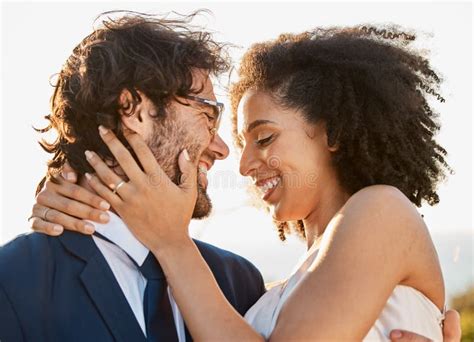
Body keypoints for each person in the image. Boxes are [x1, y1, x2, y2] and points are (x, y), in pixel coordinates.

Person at [27, 23, 463, 341]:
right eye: (242, 142)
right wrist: (76, 191)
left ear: (334, 133)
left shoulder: (381, 209)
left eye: (265, 138)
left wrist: (172, 243)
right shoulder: (258, 291)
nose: (243, 164)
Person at [0, 12, 266, 341]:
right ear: (134, 110)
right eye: (207, 115)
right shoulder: (14, 281)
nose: (222, 148)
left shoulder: (238, 282)